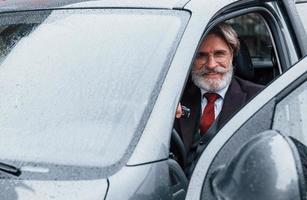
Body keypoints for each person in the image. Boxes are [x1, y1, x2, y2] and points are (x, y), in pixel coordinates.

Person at [175, 22, 264, 177]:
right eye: (201, 55)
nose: (211, 64)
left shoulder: (260, 99)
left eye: (219, 54)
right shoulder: (174, 97)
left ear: (232, 55)